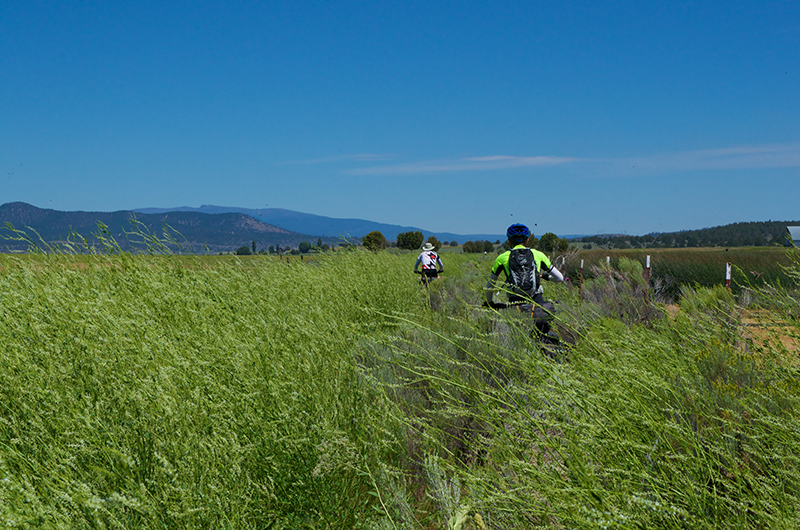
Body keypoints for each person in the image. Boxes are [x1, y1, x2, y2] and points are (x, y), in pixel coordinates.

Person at [486, 223, 564, 335]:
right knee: (541, 334)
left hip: (515, 302)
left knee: (518, 335)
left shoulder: (502, 258)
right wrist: (546, 277)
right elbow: (560, 278)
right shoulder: (538, 255)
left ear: (509, 241)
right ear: (527, 240)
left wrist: (490, 303)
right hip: (537, 300)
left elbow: (490, 285)